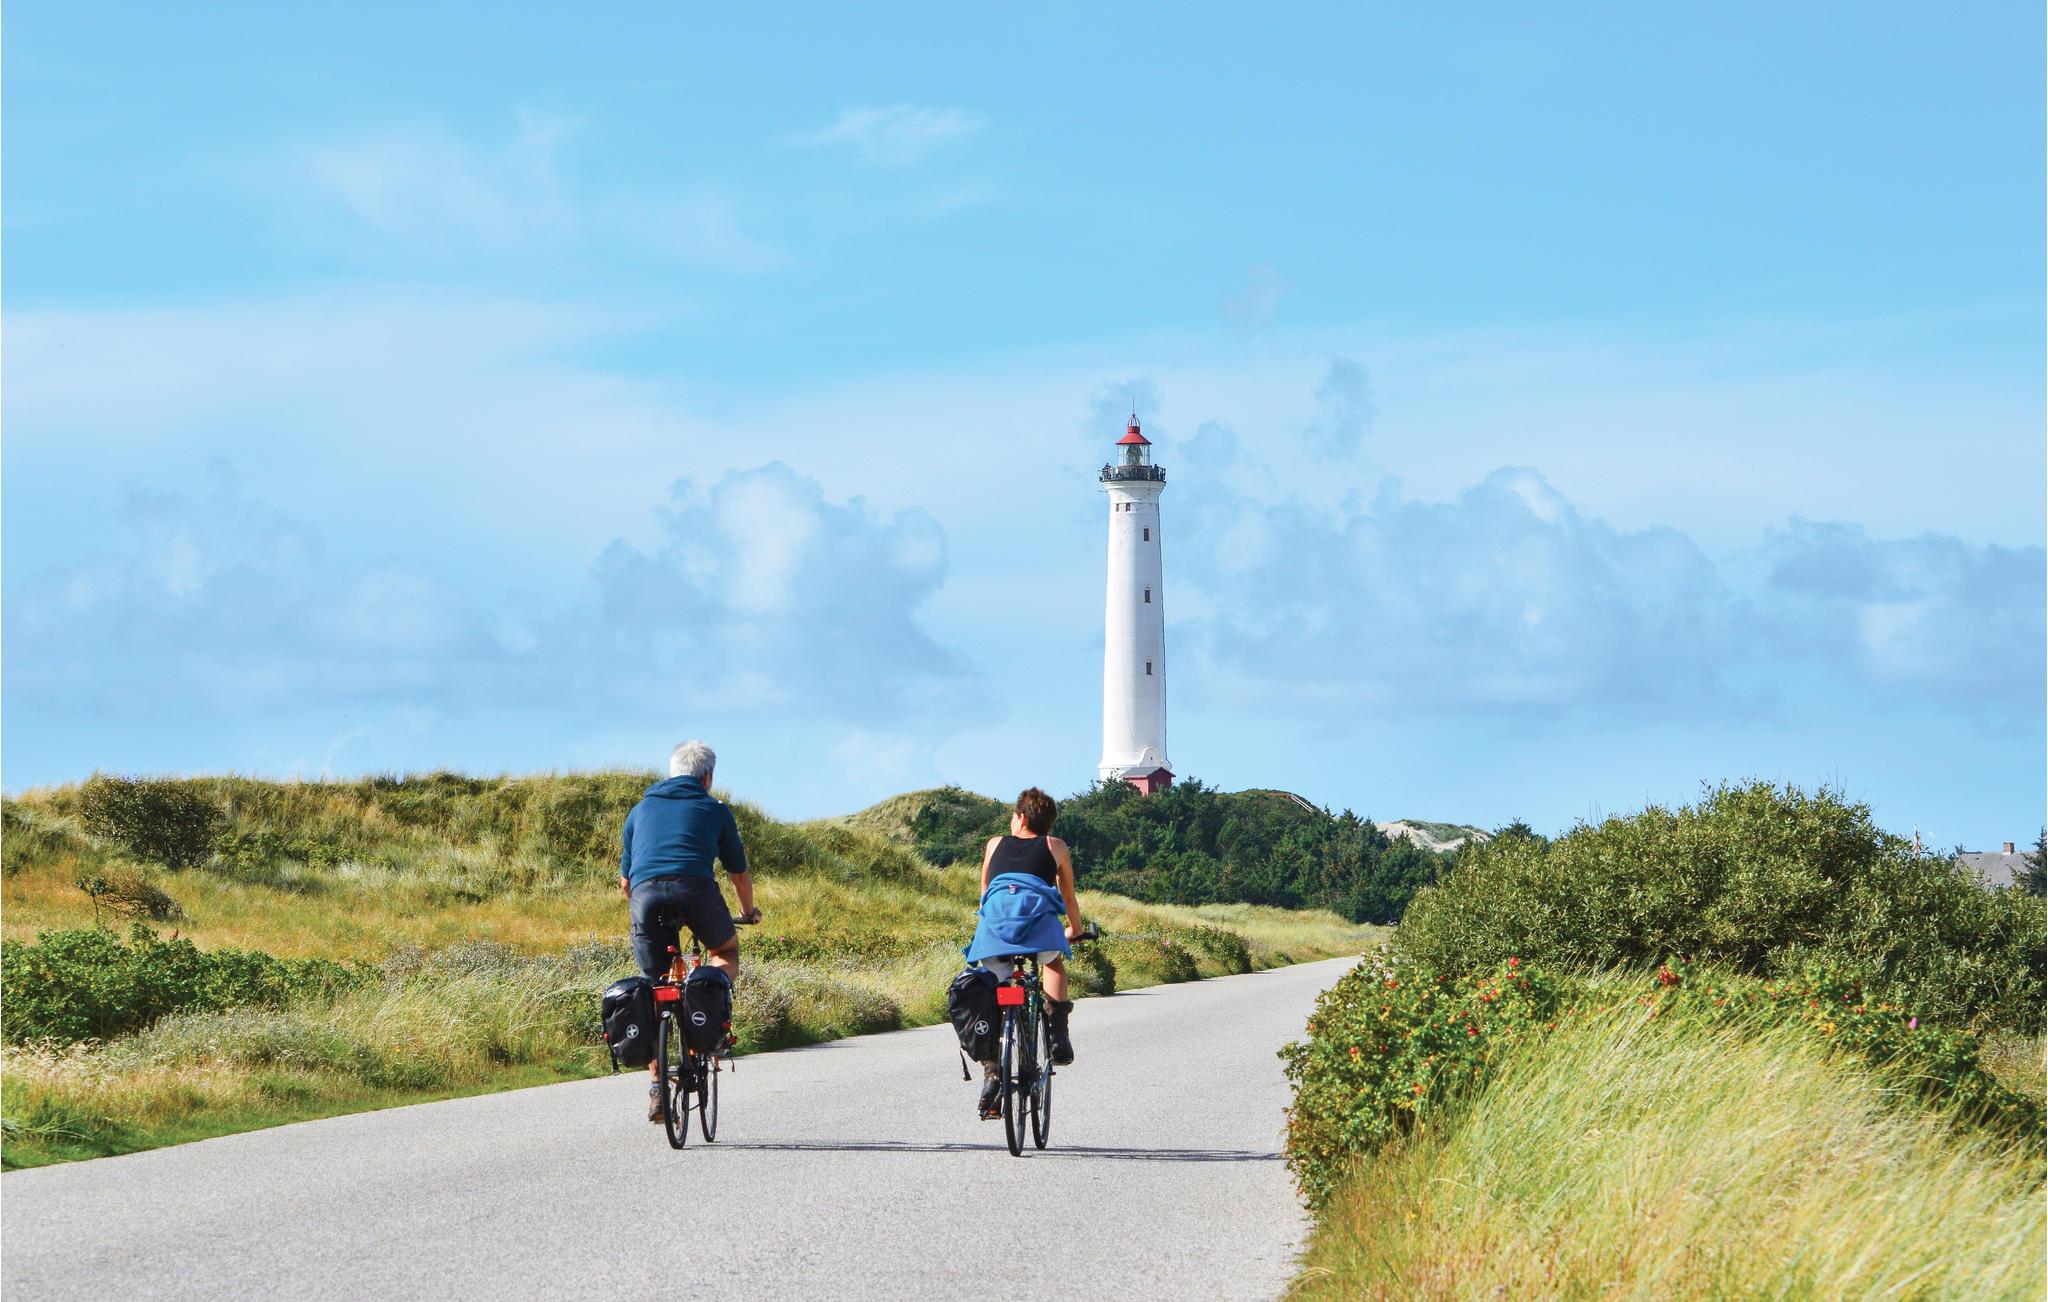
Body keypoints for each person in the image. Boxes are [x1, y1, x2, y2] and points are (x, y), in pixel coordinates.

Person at [620, 739, 761, 1121]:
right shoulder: (715, 810)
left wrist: (644, 911)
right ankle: (706, 1011)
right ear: (708, 777)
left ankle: (657, 1088)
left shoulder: (639, 810)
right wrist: (748, 913)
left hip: (646, 897)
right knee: (725, 952)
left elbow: (626, 884)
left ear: (672, 771)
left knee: (654, 987)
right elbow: (738, 874)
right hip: (695, 891)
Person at [963, 787, 1084, 1117]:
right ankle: (1058, 1034)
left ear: (1020, 817)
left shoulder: (994, 844)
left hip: (995, 933)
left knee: (994, 988)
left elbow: (985, 894)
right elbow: (1068, 898)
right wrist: (1075, 929)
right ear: (1047, 823)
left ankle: (993, 1071)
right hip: (1037, 928)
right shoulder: (1055, 846)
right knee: (1053, 961)